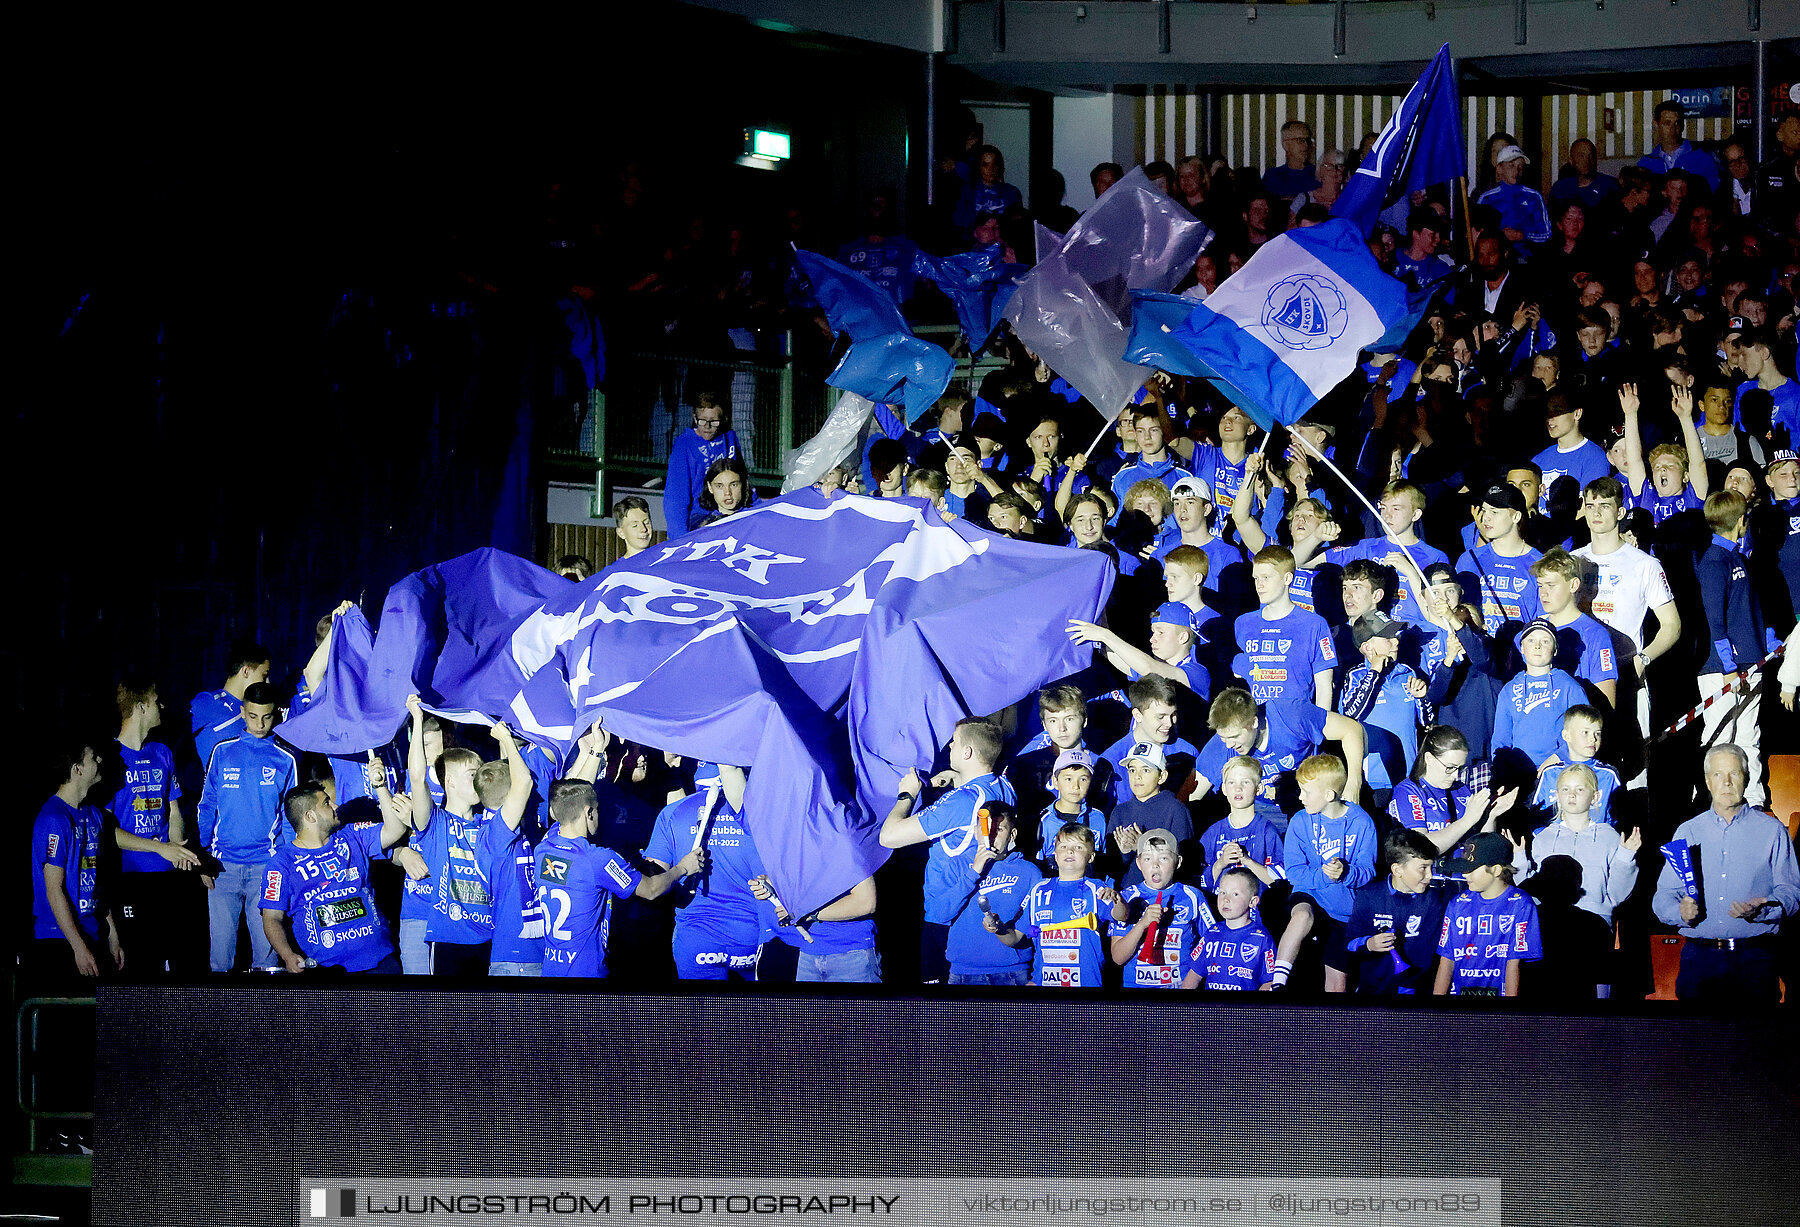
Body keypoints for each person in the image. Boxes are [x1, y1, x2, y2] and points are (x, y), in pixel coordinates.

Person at [1651, 745, 1799, 1001]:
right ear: (1708, 781)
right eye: (1719, 774)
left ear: (1747, 778)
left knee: (1757, 1040)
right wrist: (1679, 912)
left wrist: (1764, 910)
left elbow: (1792, 894)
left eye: (1735, 773)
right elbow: (1663, 896)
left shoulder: (1773, 831)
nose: (1727, 782)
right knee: (1697, 1040)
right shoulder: (1688, 831)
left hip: (1755, 960)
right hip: (1699, 960)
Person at [879, 717, 1016, 983]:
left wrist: (907, 794)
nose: (949, 747)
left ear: (967, 752)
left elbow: (889, 836)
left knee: (942, 1020)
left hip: (946, 919)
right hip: (983, 915)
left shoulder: (960, 801)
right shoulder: (1005, 788)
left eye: (954, 743)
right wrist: (955, 776)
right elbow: (979, 790)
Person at [537, 774, 701, 979]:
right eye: (597, 809)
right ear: (589, 812)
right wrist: (683, 868)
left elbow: (563, 806)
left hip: (550, 969)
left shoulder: (544, 848)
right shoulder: (598, 859)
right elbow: (651, 890)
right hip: (585, 973)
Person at [1573, 474, 1682, 780]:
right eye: (1590, 505)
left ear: (1620, 512)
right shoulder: (1572, 560)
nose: (1596, 513)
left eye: (1604, 506)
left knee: (1633, 771)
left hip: (1626, 676)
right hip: (1580, 678)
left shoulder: (1644, 564)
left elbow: (1671, 625)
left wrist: (1641, 660)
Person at [1510, 764, 1640, 997]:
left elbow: (1618, 893)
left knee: (1595, 989)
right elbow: (1531, 889)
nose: (1572, 795)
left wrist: (1625, 857)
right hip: (1552, 928)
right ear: (1556, 795)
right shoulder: (1544, 837)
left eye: (1580, 789)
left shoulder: (1609, 836)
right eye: (1566, 789)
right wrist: (1519, 861)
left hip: (1595, 928)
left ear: (1595, 796)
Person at [260, 779, 413, 974]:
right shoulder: (281, 864)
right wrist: (287, 955)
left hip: (381, 961)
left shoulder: (352, 835)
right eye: (326, 803)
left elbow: (395, 830)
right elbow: (272, 918)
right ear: (310, 816)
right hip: (327, 970)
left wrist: (380, 786)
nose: (335, 807)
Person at [196, 681, 297, 972]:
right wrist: (203, 857)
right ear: (242, 712)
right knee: (220, 959)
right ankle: (218, 1017)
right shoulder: (222, 752)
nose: (260, 723)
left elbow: (290, 820)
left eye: (266, 717)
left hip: (266, 869)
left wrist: (287, 865)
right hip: (221, 868)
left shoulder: (286, 759)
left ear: (275, 714)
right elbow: (207, 806)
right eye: (253, 716)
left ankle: (267, 1017)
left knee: (267, 958)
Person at [108, 677, 201, 974]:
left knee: (179, 959)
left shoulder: (162, 752)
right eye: (156, 701)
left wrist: (177, 849)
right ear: (140, 707)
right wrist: (161, 849)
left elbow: (174, 811)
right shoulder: (111, 758)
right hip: (131, 878)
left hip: (167, 879)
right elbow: (107, 831)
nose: (162, 706)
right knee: (141, 962)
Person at [644, 762, 765, 980]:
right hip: (750, 935)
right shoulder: (758, 813)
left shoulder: (673, 813)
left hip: (695, 937)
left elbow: (654, 876)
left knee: (701, 1013)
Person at [403, 696, 493, 977]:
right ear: (450, 782)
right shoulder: (435, 825)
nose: (478, 780)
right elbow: (417, 778)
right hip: (449, 941)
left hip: (489, 937)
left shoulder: (489, 824)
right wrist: (417, 720)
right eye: (471, 774)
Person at [1191, 687, 1366, 833]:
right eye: (1223, 738)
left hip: (1310, 798)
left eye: (1235, 736)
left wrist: (1353, 783)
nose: (1229, 745)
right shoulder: (1221, 747)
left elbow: (1351, 730)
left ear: (1253, 722)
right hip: (1264, 811)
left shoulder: (1290, 715)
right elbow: (1192, 796)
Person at [1695, 491, 1771, 807]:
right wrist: (1728, 667)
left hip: (1751, 666)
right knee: (1719, 735)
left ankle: (1752, 801)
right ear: (1741, 522)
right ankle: (1707, 798)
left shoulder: (1738, 557)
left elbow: (1747, 611)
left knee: (1747, 738)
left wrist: (1768, 643)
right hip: (1722, 670)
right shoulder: (1713, 560)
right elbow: (1715, 620)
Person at [1280, 754, 1376, 993]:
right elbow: (1293, 872)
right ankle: (1277, 984)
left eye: (1306, 792)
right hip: (1310, 895)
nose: (1300, 797)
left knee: (1337, 983)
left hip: (1344, 911)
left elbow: (1367, 872)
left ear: (1329, 795)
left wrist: (1345, 873)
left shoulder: (1362, 822)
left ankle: (1335, 1027)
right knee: (1302, 916)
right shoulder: (1300, 821)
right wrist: (1324, 876)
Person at [28, 740, 123, 981]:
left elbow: (97, 881)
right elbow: (54, 889)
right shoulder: (54, 818)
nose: (99, 762)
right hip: (60, 940)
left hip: (92, 933)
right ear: (77, 769)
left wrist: (113, 935)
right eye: (93, 758)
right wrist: (77, 946)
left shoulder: (93, 814)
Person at [1315, 482, 1448, 626]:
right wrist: (1316, 537)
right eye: (1383, 508)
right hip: (1367, 635)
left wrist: (1412, 573)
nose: (1387, 515)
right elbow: (1301, 561)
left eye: (1396, 509)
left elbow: (1440, 613)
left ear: (1415, 514)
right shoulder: (1366, 547)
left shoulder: (1434, 557)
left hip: (1414, 637)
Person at [1342, 827, 1452, 996]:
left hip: (1416, 991)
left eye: (1431, 867)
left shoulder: (1434, 900)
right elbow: (1349, 943)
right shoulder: (1369, 896)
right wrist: (1369, 944)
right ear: (1397, 870)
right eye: (1423, 868)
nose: (1430, 875)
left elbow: (1434, 953)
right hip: (1373, 991)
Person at [474, 723, 547, 975]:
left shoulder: (506, 826)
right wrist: (505, 736)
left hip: (535, 955)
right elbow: (523, 781)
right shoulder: (495, 834)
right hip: (516, 961)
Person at [1433, 832, 1542, 997]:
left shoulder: (1520, 904)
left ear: (1496, 870)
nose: (1464, 875)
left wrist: (1510, 1014)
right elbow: (1446, 961)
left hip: (1498, 1008)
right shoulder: (1457, 903)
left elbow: (1514, 964)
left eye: (1471, 869)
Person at [1015, 824, 1125, 988]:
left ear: (1091, 856)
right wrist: (998, 928)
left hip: (1086, 984)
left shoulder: (1097, 888)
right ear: (1056, 855)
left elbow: (1122, 915)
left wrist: (1118, 900)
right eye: (1064, 846)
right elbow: (1015, 936)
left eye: (1078, 847)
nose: (1070, 851)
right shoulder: (1038, 889)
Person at [1108, 828, 1216, 989]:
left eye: (1164, 858)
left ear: (1178, 862)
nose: (1155, 865)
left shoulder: (1193, 896)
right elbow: (1118, 957)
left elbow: (1213, 941)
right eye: (1148, 859)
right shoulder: (1127, 897)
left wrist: (1192, 978)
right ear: (1138, 863)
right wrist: (1142, 924)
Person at [1233, 545, 1337, 708]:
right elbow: (1236, 677)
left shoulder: (1314, 625)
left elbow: (1324, 688)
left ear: (1287, 578)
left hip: (1296, 722)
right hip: (1252, 721)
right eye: (1256, 578)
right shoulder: (1242, 624)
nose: (1259, 585)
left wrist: (1319, 730)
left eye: (1266, 577)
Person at [945, 811, 1040, 986]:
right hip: (963, 973)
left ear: (1012, 834)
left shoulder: (1030, 872)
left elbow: (1034, 927)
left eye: (1000, 829)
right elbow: (939, 914)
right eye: (985, 829)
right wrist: (973, 872)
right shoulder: (955, 865)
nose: (991, 836)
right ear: (976, 832)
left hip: (1013, 972)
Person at [1389, 725, 1515, 853]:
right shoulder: (1408, 792)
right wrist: (1467, 820)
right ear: (1429, 759)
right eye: (1450, 768)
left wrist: (1491, 815)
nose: (1456, 775)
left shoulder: (1461, 790)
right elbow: (1418, 849)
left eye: (1460, 768)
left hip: (1464, 869)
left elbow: (1482, 849)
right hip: (1431, 871)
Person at [1493, 618, 1584, 777]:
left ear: (1555, 650)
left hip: (1559, 771)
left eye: (1545, 641)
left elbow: (1583, 731)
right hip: (1518, 775)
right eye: (1531, 640)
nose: (1537, 646)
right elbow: (1501, 739)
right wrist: (1500, 772)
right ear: (1521, 648)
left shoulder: (1569, 687)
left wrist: (1557, 758)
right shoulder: (1508, 690)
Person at [1455, 484, 1544, 643]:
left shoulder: (1539, 563)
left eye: (1494, 512)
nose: (1485, 518)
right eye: (1484, 510)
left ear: (1516, 517)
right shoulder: (1469, 559)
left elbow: (1544, 620)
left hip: (1521, 655)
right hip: (1478, 654)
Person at [1067, 602, 1209, 700]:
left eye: (1161, 633)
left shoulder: (1198, 673)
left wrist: (1105, 635)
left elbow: (1149, 667)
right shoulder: (1152, 667)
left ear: (1183, 637)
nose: (1152, 639)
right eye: (1153, 632)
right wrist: (1100, 625)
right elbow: (1117, 658)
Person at [1104, 742, 1194, 891]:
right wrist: (1125, 853)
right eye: (1132, 770)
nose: (1137, 777)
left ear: (1162, 776)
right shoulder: (1119, 812)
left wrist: (1143, 845)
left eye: (1146, 770)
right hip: (1128, 897)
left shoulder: (1175, 809)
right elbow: (1112, 870)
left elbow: (1186, 865)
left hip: (1164, 896)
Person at [1097, 675, 1199, 808]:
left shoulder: (1188, 752)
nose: (1169, 723)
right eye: (1160, 717)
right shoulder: (1112, 760)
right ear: (1138, 715)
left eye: (1173, 715)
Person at [1198, 755, 1286, 893]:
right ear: (1224, 789)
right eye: (1231, 783)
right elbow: (1201, 882)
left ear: (1258, 789)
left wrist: (1247, 861)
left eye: (1245, 782)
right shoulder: (1212, 833)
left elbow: (1280, 881)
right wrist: (1221, 863)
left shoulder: (1267, 831)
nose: (1238, 788)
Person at [1182, 867, 1277, 991]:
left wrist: (1253, 1009)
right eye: (1222, 892)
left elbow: (1269, 981)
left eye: (1235, 894)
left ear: (1253, 901)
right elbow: (1194, 974)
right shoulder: (1211, 933)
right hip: (1212, 1008)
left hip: (1243, 1009)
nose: (1226, 899)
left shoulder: (1262, 938)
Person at [1529, 707, 1620, 830]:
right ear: (1566, 735)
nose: (1593, 739)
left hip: (1594, 845)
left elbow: (1616, 819)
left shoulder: (1609, 775)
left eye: (1597, 733)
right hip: (1555, 846)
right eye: (1585, 732)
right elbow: (1536, 818)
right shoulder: (1550, 773)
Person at [664, 393, 741, 535]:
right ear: (694, 417)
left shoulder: (729, 438)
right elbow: (676, 497)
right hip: (700, 515)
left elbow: (741, 478)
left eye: (714, 421)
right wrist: (678, 539)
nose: (707, 426)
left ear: (722, 419)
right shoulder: (684, 445)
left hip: (731, 510)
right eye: (702, 420)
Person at [190, 639, 271, 772]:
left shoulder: (262, 713)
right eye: (264, 675)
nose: (267, 683)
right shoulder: (207, 703)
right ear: (245, 671)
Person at [1532, 392, 1611, 516]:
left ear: (1577, 413)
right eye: (1548, 414)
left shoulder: (1595, 457)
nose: (1550, 419)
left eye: (1557, 412)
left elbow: (1589, 507)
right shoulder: (1539, 459)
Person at [1031, 749, 1105, 873]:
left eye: (1083, 779)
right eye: (1068, 779)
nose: (1075, 786)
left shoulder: (1098, 818)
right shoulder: (1042, 821)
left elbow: (1105, 863)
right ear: (1055, 782)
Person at [1476, 145, 1551, 255]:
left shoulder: (1534, 197)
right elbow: (1477, 234)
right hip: (1495, 260)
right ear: (1499, 169)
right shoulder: (1487, 198)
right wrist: (1500, 235)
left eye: (1520, 166)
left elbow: (1546, 234)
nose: (1516, 170)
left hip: (1527, 261)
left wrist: (1523, 235)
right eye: (1511, 165)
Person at [1635, 99, 1720, 191]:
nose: (1673, 129)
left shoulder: (1702, 158)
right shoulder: (1646, 163)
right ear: (1656, 125)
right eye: (1667, 123)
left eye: (1677, 123)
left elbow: (1714, 193)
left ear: (1682, 125)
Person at [1264, 120, 1320, 197]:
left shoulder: (1319, 174)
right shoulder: (1273, 177)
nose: (1306, 145)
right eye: (1300, 140)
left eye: (1308, 140)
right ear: (1286, 145)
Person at [696, 454, 753, 526]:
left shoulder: (754, 519)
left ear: (743, 485)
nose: (727, 492)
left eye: (733, 485)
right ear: (710, 487)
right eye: (719, 486)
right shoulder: (703, 527)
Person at [613, 496, 656, 560]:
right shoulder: (617, 569)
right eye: (635, 525)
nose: (643, 529)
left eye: (646, 523)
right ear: (621, 533)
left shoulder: (664, 562)